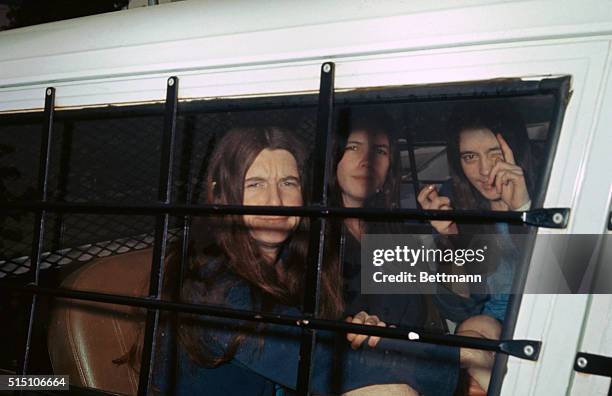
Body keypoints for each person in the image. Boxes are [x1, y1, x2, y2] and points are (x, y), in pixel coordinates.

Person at [145, 126, 459, 396]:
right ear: (220, 196)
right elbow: (320, 362)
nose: (275, 201)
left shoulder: (303, 263)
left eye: (288, 183)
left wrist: (357, 330)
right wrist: (462, 361)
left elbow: (434, 305)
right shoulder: (212, 281)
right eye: (255, 184)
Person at [417, 102, 535, 391]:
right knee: (468, 350)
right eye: (470, 157)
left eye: (494, 154)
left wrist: (523, 209)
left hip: (544, 316)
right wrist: (449, 241)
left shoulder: (554, 188)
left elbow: (573, 279)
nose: (484, 170)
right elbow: (459, 308)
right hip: (490, 325)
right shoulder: (456, 205)